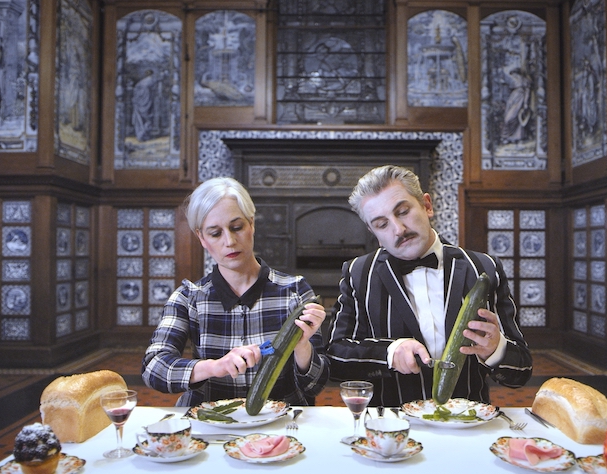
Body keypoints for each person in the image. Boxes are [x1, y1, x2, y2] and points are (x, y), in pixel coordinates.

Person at [326, 165, 532, 406]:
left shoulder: (484, 268)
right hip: (392, 423)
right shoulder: (358, 273)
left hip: (464, 421)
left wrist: (496, 349)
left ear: (427, 205)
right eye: (382, 224)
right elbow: (335, 358)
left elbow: (521, 370)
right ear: (373, 232)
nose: (399, 230)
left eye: (403, 212)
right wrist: (389, 353)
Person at [142, 177, 329, 407]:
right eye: (215, 233)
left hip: (279, 420)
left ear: (251, 224)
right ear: (202, 238)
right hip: (209, 419)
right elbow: (153, 368)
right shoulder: (188, 297)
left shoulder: (295, 292)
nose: (229, 241)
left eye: (237, 227)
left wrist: (302, 347)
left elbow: (316, 385)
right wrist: (214, 367)